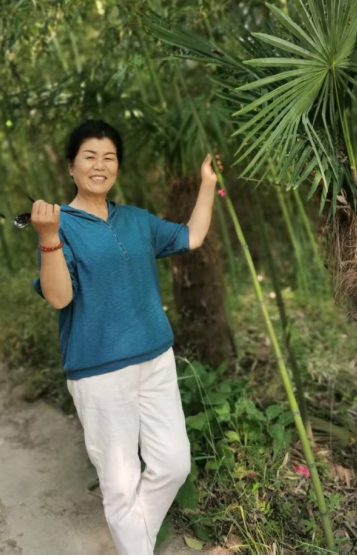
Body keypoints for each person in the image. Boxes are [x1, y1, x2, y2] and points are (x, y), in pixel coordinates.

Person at [31, 119, 223, 555]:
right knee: (120, 485)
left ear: (118, 166)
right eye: (89, 157)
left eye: (109, 157)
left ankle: (134, 541)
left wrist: (207, 184)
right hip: (99, 371)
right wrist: (48, 238)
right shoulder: (60, 225)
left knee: (173, 464)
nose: (100, 165)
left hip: (156, 360)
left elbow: (192, 236)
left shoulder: (136, 219)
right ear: (71, 166)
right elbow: (59, 298)